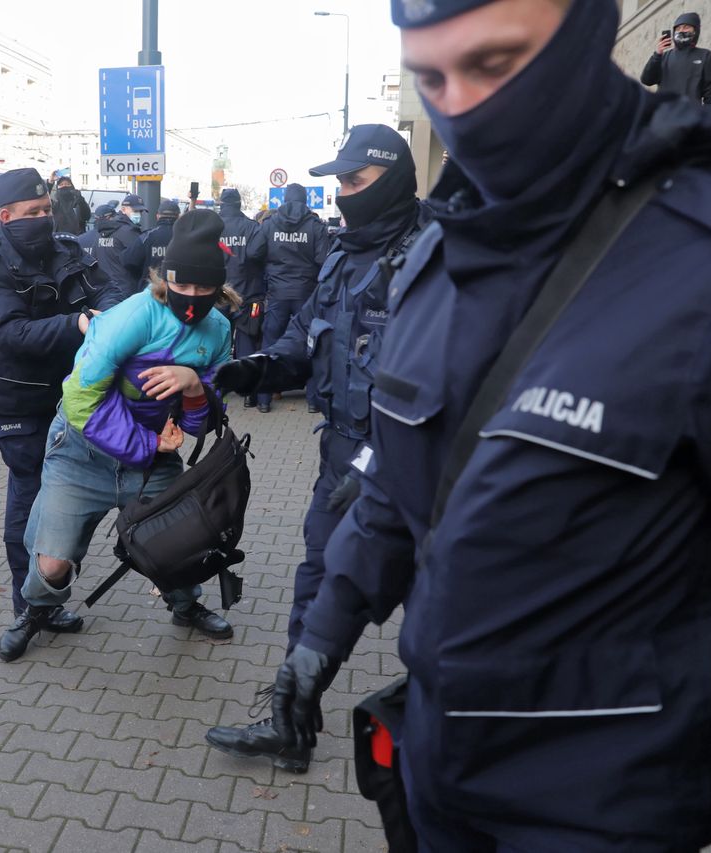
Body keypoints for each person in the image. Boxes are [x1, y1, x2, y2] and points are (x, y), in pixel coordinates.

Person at [267, 0, 711, 848]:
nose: (464, 107)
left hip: (607, 812)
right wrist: (319, 639)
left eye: (497, 63)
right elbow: (396, 489)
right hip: (438, 778)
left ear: (589, 30)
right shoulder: (437, 261)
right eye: (432, 77)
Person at [206, 126, 430, 774]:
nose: (344, 194)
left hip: (410, 472)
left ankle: (440, 752)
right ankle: (291, 723)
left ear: (390, 178)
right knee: (317, 582)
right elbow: (306, 334)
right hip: (340, 457)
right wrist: (256, 368)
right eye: (340, 183)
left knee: (435, 617)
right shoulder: (341, 254)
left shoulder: (431, 257)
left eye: (355, 182)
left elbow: (440, 380)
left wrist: (380, 463)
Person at [0, 210, 237, 662]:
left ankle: (185, 606)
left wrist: (192, 388)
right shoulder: (131, 317)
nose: (191, 297)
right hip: (81, 452)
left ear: (218, 286)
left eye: (203, 288)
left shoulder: (218, 331)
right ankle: (38, 610)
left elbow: (203, 421)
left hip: (152, 461)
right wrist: (147, 445)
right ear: (166, 278)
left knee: (179, 545)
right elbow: (80, 401)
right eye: (181, 286)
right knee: (52, 562)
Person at [0, 167, 124, 649]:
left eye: (45, 210)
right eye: (29, 213)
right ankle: (28, 610)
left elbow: (112, 291)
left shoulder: (71, 251)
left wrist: (108, 314)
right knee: (31, 504)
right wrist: (77, 323)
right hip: (21, 401)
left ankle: (49, 596)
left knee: (74, 501)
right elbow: (12, 334)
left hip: (78, 396)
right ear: (5, 217)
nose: (40, 219)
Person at [261, 183, 332, 413]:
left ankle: (263, 399)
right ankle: (313, 400)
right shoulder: (315, 227)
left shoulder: (269, 225)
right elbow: (324, 262)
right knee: (311, 344)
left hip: (277, 294)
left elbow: (257, 254)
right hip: (306, 294)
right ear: (305, 200)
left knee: (271, 343)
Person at [216, 188, 268, 409]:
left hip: (217, 294)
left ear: (221, 204)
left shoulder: (212, 227)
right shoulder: (252, 228)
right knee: (246, 340)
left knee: (217, 341)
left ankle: (217, 387)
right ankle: (249, 393)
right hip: (247, 293)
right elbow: (257, 255)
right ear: (239, 204)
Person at [640, 12, 711, 107]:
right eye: (678, 28)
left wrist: (708, 119)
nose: (681, 31)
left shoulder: (706, 55)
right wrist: (657, 54)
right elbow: (647, 80)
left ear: (695, 30)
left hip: (691, 115)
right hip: (664, 114)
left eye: (686, 27)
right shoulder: (664, 57)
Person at [122, 197, 179, 292]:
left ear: (158, 216)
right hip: (178, 291)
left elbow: (127, 260)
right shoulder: (186, 237)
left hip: (150, 291)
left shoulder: (147, 236)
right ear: (178, 216)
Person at [93, 194, 146, 294]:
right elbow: (139, 260)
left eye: (141, 211)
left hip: (105, 289)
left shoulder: (103, 230)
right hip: (126, 289)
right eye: (135, 211)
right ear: (123, 209)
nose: (139, 214)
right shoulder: (129, 232)